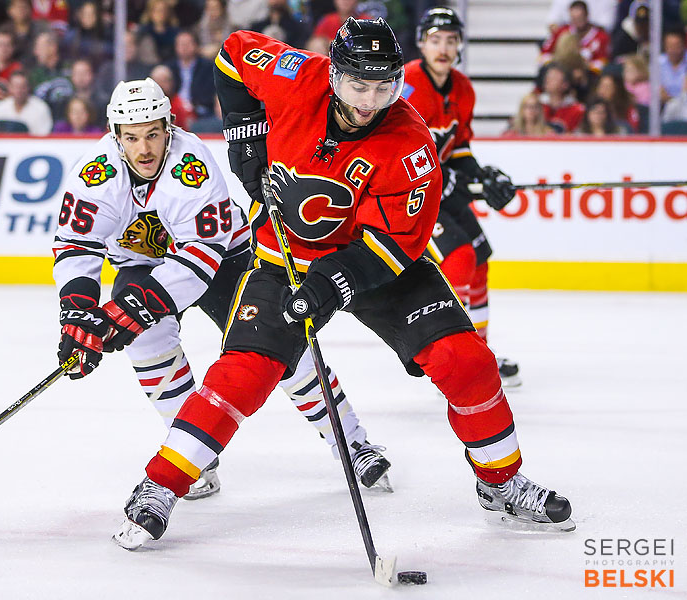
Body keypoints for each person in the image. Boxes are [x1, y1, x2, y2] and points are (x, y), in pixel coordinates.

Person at [112, 17, 575, 550]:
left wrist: (333, 284)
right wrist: (245, 136)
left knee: (466, 361)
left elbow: (396, 244)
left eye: (384, 86)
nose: (369, 100)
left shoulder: (410, 143)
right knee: (243, 375)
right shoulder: (295, 75)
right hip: (282, 258)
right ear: (334, 72)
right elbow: (233, 53)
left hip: (376, 266)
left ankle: (502, 482)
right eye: (358, 83)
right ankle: (160, 487)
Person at [53, 78, 393, 503]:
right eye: (133, 137)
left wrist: (130, 308)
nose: (144, 149)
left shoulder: (190, 163)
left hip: (224, 261)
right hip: (140, 267)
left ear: (169, 127)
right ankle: (193, 460)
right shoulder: (95, 173)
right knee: (147, 346)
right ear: (115, 135)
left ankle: (351, 442)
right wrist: (76, 313)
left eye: (154, 134)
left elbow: (198, 261)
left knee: (283, 344)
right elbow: (76, 244)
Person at [403, 7, 522, 388]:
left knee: (480, 260)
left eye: (451, 40)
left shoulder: (463, 89)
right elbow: (397, 147)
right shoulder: (408, 84)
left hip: (443, 185)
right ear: (422, 43)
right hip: (410, 193)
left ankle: (479, 351)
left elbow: (459, 147)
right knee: (459, 259)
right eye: (435, 39)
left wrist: (483, 177)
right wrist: (443, 177)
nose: (443, 47)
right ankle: (445, 355)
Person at [539, 1, 610, 72]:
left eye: (580, 18)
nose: (577, 22)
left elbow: (603, 61)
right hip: (562, 72)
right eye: (574, 19)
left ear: (587, 15)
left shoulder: (601, 36)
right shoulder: (562, 32)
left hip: (588, 75)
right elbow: (544, 55)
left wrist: (585, 66)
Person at [0, 70, 54, 134]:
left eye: (22, 86)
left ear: (28, 87)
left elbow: (44, 136)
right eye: (16, 86)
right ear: (9, 87)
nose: (19, 90)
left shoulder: (41, 108)